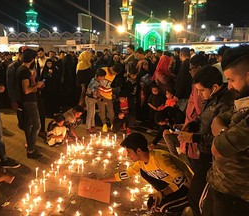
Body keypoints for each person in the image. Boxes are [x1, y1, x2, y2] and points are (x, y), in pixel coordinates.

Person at [173, 65, 234, 216]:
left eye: (201, 90)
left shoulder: (227, 103)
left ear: (214, 87)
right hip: (204, 153)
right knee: (196, 195)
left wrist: (194, 137)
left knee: (199, 197)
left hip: (214, 158)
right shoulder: (212, 98)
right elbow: (203, 119)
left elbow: (222, 137)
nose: (199, 95)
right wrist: (190, 126)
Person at [202, 45, 249, 216]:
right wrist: (225, 133)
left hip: (238, 196)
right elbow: (218, 119)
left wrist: (221, 136)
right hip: (219, 184)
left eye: (231, 80)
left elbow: (218, 149)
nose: (228, 87)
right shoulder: (242, 102)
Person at [102, 133, 193, 214]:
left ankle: (186, 201)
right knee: (151, 201)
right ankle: (171, 201)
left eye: (129, 152)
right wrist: (105, 180)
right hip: (171, 184)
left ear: (138, 151)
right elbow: (128, 173)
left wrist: (162, 193)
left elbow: (181, 178)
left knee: (161, 207)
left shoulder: (160, 159)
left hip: (188, 186)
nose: (127, 155)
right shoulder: (141, 162)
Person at [17, 48, 44, 159]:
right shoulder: (24, 71)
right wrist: (37, 85)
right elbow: (26, 90)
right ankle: (31, 150)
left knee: (28, 125)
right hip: (29, 101)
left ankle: (30, 146)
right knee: (37, 125)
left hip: (27, 101)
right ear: (32, 59)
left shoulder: (21, 69)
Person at [98, 63, 123, 132]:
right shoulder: (103, 70)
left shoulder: (114, 75)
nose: (114, 74)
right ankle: (104, 124)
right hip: (100, 94)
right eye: (114, 72)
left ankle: (112, 124)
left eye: (116, 74)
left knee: (111, 111)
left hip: (108, 94)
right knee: (102, 111)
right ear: (112, 68)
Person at [85, 68, 106, 134]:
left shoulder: (94, 79)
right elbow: (94, 95)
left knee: (92, 113)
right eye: (102, 77)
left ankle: (92, 126)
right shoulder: (94, 83)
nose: (103, 78)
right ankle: (88, 128)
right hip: (90, 99)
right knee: (90, 114)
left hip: (91, 99)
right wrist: (102, 100)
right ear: (99, 76)